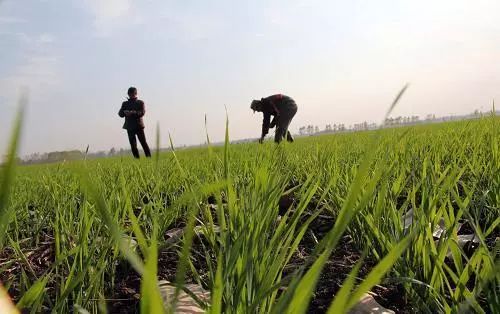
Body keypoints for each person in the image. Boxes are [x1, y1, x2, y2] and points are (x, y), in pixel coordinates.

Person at [118, 87, 151, 158]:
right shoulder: (125, 104)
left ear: (136, 94)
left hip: (139, 126)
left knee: (143, 143)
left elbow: (142, 113)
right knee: (133, 145)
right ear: (128, 94)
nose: (131, 96)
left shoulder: (140, 103)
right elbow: (120, 114)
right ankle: (137, 160)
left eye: (133, 94)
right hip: (129, 127)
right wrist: (124, 112)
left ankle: (149, 158)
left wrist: (132, 113)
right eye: (130, 94)